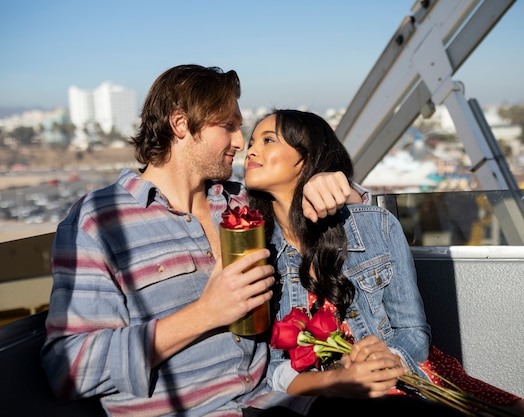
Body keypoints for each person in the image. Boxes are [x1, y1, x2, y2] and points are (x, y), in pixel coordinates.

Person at [40, 65, 466, 417]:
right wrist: (205, 314)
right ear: (180, 124)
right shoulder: (100, 222)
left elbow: (327, 211)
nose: (240, 144)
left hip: (280, 403)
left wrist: (334, 183)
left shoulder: (244, 205)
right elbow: (68, 367)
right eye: (228, 127)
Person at [244, 109, 524, 417]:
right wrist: (335, 380)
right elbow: (271, 369)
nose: (251, 149)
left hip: (406, 370)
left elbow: (413, 330)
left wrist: (385, 362)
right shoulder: (255, 250)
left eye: (268, 140)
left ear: (308, 158)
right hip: (328, 395)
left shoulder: (376, 227)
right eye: (252, 141)